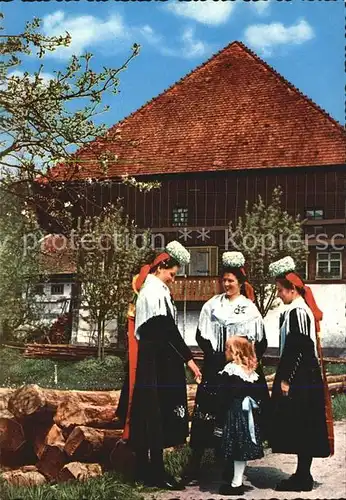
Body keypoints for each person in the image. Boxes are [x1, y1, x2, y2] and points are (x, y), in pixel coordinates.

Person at [117, 241, 202, 491]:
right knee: (154, 415)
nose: (173, 279)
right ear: (162, 266)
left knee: (150, 414)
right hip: (155, 359)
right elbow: (165, 329)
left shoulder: (155, 288)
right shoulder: (153, 291)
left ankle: (146, 469)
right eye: (172, 274)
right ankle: (154, 471)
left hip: (154, 357)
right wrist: (188, 359)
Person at [184, 251, 269, 484]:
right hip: (215, 368)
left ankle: (230, 466)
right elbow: (201, 335)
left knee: (234, 416)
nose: (227, 284)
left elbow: (260, 342)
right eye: (224, 280)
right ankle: (195, 464)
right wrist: (214, 356)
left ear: (240, 283)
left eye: (231, 280)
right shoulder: (212, 306)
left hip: (239, 370)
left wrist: (246, 363)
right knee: (207, 414)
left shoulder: (249, 309)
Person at [268, 256, 333, 492]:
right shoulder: (298, 309)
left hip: (301, 375)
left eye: (279, 290)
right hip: (303, 373)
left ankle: (303, 477)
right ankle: (301, 474)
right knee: (301, 424)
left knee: (302, 424)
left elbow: (300, 347)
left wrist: (286, 379)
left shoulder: (297, 311)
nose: (277, 294)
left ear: (292, 289)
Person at [214, 336, 265, 496]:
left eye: (227, 349)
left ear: (235, 352)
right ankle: (237, 479)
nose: (225, 352)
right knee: (240, 447)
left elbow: (224, 396)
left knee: (235, 447)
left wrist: (219, 416)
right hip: (247, 413)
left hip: (234, 413)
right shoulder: (250, 371)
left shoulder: (231, 370)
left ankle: (236, 484)